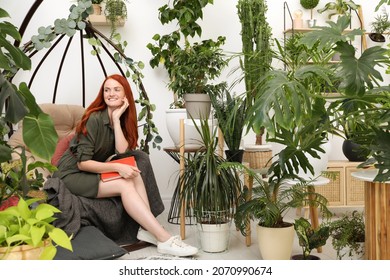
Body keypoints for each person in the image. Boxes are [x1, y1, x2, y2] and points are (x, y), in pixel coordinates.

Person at [53, 74, 198, 257]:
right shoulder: (94, 118)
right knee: (124, 183)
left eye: (116, 89)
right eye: (107, 90)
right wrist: (117, 168)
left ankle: (147, 228)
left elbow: (121, 151)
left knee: (134, 173)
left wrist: (116, 120)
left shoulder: (119, 118)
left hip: (88, 169)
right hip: (70, 173)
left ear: (125, 95)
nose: (110, 94)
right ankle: (164, 238)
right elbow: (82, 164)